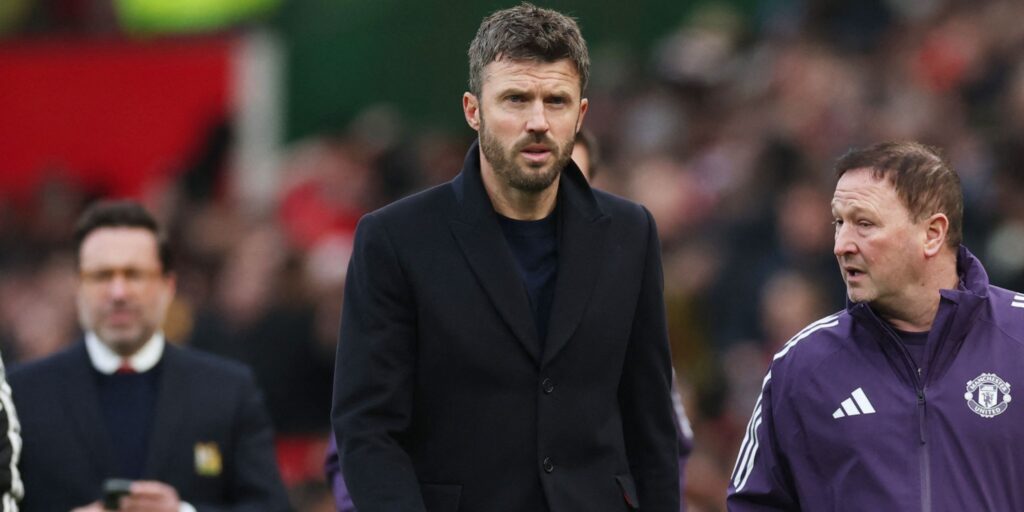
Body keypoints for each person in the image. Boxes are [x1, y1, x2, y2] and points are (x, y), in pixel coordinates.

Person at [332, 4, 680, 511]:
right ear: (473, 110)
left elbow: (651, 422)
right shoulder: (394, 240)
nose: (537, 121)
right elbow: (367, 430)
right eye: (516, 99)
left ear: (580, 115)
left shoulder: (631, 232)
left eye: (556, 101)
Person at [727, 141, 1024, 510]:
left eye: (864, 224)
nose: (841, 245)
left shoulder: (1018, 337)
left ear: (932, 234)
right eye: (839, 223)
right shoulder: (802, 366)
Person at [9, 200, 290, 511]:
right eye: (102, 276)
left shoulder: (228, 390)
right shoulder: (20, 393)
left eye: (135, 274)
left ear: (168, 286)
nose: (119, 292)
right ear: (77, 288)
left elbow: (271, 507)